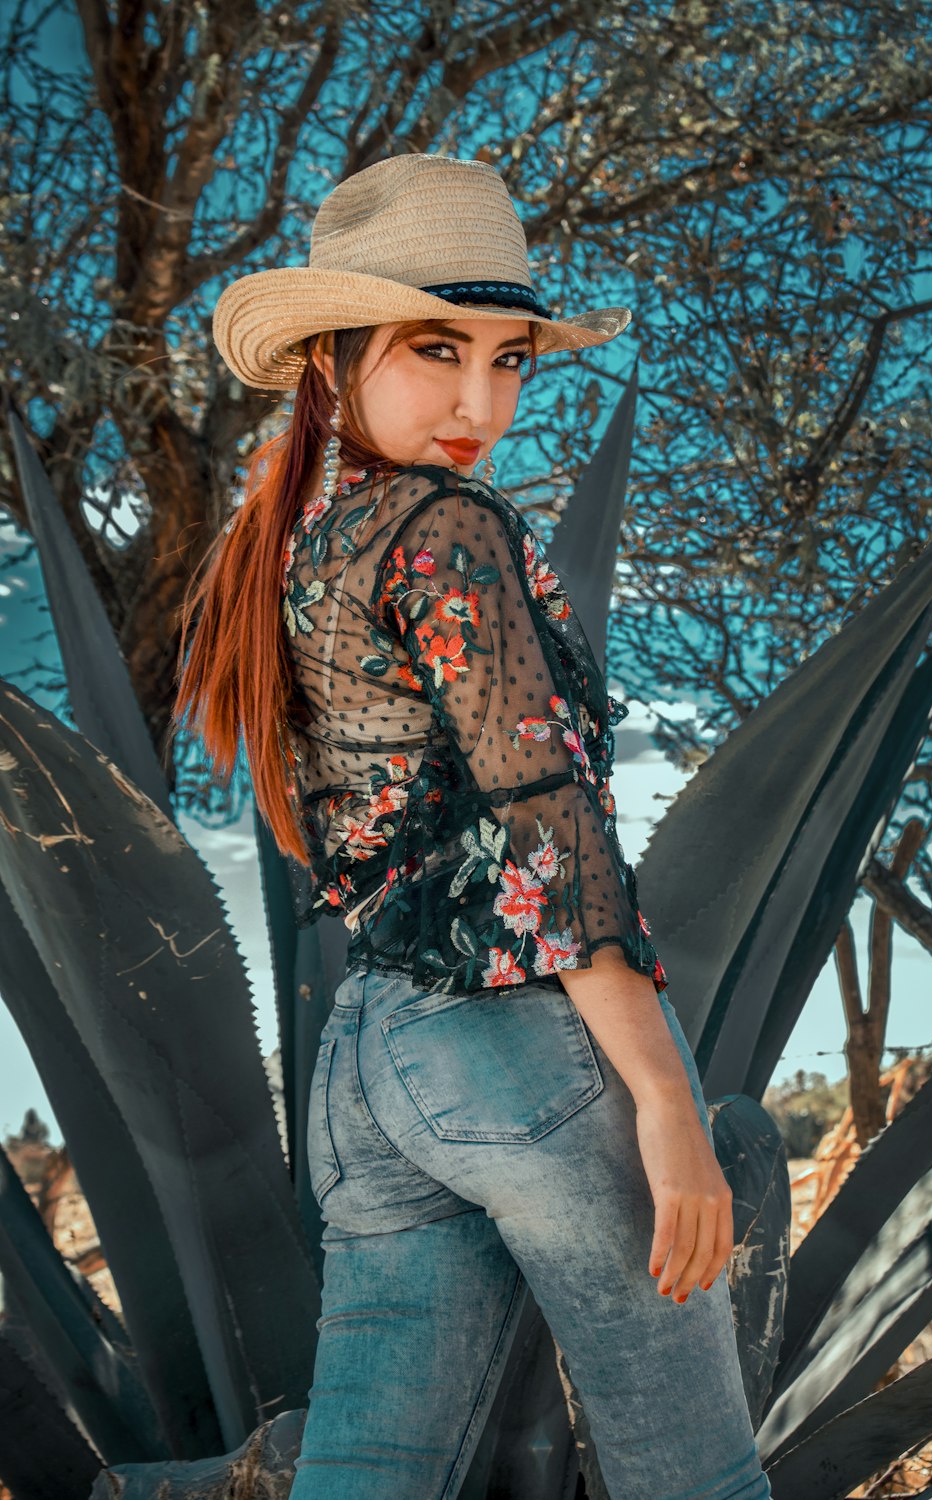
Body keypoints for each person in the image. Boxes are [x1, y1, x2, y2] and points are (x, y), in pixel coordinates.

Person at [179, 153, 772, 1499]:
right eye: (437, 349)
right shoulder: (447, 527)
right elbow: (544, 814)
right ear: (330, 363)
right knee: (697, 1481)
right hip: (520, 1051)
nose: (477, 402)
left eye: (509, 361)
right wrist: (669, 1098)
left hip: (371, 1072)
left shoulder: (301, 547)